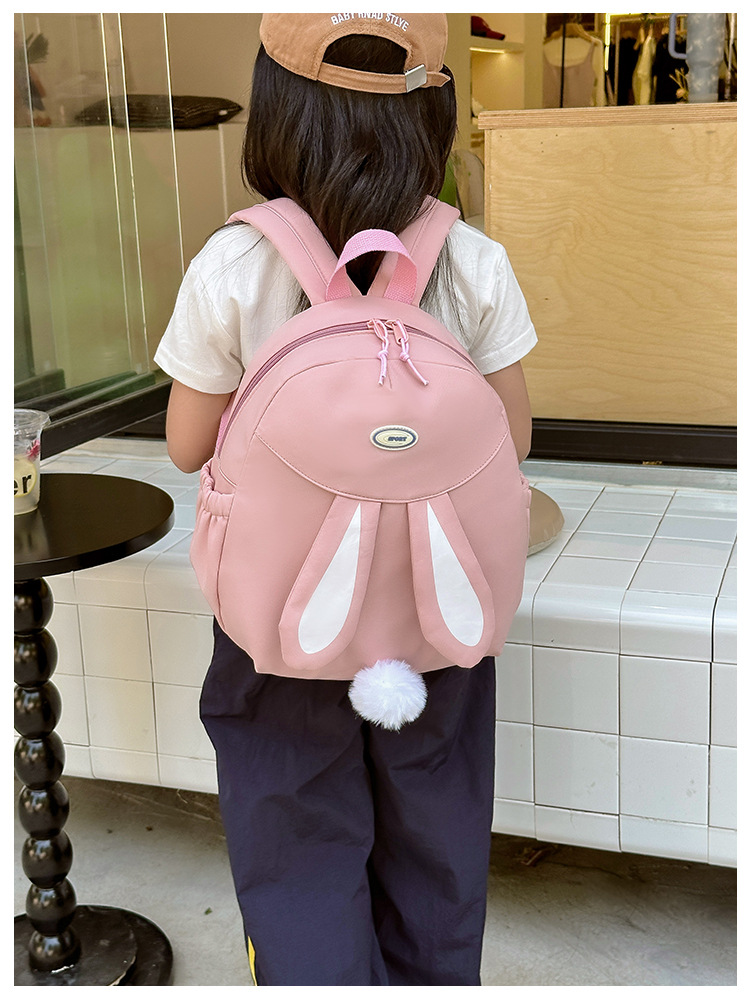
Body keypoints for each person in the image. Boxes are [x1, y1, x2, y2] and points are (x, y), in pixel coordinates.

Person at [154, 13, 537, 987]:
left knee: (293, 839)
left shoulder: (235, 265)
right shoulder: (472, 259)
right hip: (436, 616)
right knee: (437, 830)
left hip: (280, 623)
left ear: (276, 109)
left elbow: (188, 445)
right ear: (432, 114)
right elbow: (513, 439)